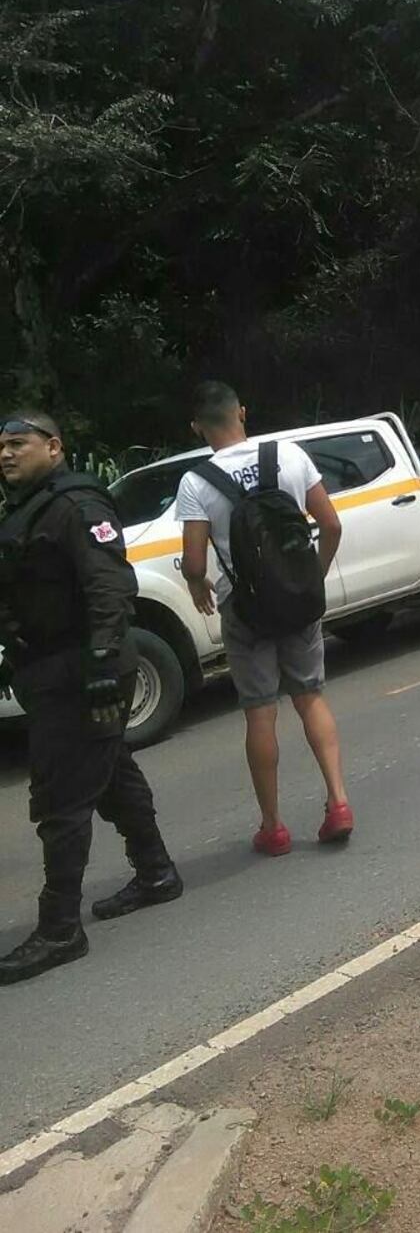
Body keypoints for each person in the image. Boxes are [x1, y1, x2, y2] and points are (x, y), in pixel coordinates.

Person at [0, 413, 180, 986]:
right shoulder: (28, 506)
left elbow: (109, 586)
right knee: (110, 774)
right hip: (52, 670)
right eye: (0, 447)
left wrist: (102, 664)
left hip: (85, 672)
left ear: (54, 447)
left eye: (17, 444)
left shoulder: (78, 506)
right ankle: (156, 874)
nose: (5, 454)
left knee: (61, 798)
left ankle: (59, 929)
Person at [175, 382, 353, 855]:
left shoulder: (196, 482)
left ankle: (273, 827)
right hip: (297, 598)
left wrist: (198, 585)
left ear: (198, 427)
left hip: (246, 607)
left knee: (260, 710)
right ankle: (338, 803)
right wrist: (311, 576)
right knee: (310, 696)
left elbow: (194, 562)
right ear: (242, 413)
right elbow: (331, 524)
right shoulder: (290, 455)